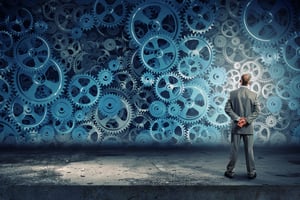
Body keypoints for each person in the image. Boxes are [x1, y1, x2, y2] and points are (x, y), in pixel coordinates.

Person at [224, 73, 260, 179]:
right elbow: (257, 111)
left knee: (234, 150)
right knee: (249, 151)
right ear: (249, 82)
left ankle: (230, 172)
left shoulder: (233, 94)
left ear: (240, 81)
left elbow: (227, 109)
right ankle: (251, 173)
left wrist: (238, 119)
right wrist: (246, 120)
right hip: (248, 128)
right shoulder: (253, 95)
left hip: (236, 127)